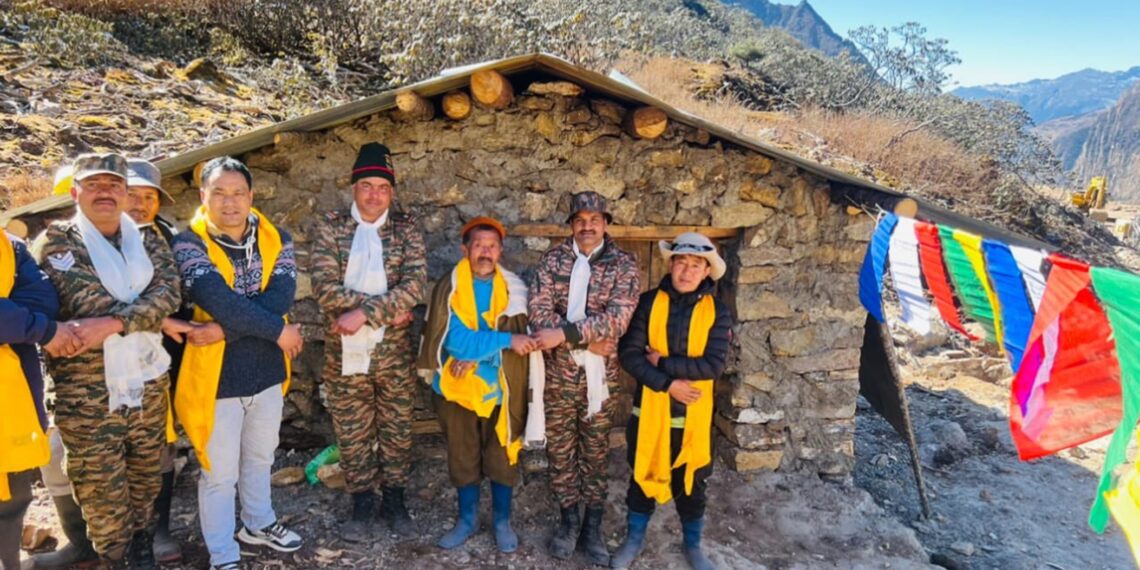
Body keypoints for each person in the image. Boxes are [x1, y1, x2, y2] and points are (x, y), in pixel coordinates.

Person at [34, 152, 182, 570]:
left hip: (147, 385)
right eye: (94, 184)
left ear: (124, 191)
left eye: (113, 185)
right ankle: (114, 560)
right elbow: (82, 301)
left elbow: (170, 293)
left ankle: (140, 556)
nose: (105, 192)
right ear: (75, 190)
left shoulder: (148, 239)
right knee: (102, 496)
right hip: (87, 398)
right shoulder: (57, 242)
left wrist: (113, 322)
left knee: (146, 482)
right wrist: (141, 313)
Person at [171, 156, 303, 570]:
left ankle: (258, 522)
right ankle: (223, 552)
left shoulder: (276, 238)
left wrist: (225, 332)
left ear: (251, 196)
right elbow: (217, 300)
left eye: (238, 193)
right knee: (218, 472)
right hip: (216, 379)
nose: (230, 203)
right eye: (219, 193)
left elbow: (279, 298)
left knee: (261, 457)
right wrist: (275, 330)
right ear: (203, 196)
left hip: (265, 371)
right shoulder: (188, 244)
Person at [310, 143, 425, 539]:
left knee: (397, 429)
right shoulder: (331, 227)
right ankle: (361, 504)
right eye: (367, 186)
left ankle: (394, 501)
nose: (375, 195)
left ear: (391, 192)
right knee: (353, 430)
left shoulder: (405, 228)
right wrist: (387, 310)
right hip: (344, 355)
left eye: (382, 187)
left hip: (393, 357)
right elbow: (324, 290)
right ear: (353, 188)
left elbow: (415, 285)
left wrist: (361, 312)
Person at [528, 191, 640, 565]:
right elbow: (538, 314)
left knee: (594, 453)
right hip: (559, 374)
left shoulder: (623, 265)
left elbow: (618, 318)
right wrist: (581, 341)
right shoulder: (552, 262)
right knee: (560, 452)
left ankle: (592, 526)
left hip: (599, 380)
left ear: (605, 223)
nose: (587, 226)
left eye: (594, 219)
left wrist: (565, 334)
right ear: (572, 224)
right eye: (580, 220)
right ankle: (567, 521)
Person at [416, 217, 536, 552]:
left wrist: (485, 354)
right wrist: (504, 341)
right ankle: (467, 520)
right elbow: (455, 342)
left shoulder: (515, 290)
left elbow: (523, 345)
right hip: (455, 390)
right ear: (464, 249)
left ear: (500, 251)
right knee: (462, 456)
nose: (486, 251)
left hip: (502, 390)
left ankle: (502, 522)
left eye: (492, 245)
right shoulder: (448, 288)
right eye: (479, 245)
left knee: (502, 458)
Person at [614, 232, 732, 570]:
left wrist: (662, 363)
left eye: (696, 265)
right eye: (682, 262)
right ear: (671, 264)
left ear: (706, 271)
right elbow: (630, 356)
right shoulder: (648, 303)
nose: (687, 271)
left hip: (693, 419)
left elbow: (713, 365)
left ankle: (693, 545)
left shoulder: (718, 313)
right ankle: (634, 539)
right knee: (640, 477)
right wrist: (669, 386)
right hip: (649, 414)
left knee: (692, 484)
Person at [124, 158, 189, 563]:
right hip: (94, 369)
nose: (141, 204)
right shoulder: (83, 239)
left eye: (149, 197)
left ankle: (157, 531)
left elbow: (178, 295)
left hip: (160, 364)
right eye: (133, 194)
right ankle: (90, 541)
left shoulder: (170, 239)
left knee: (160, 446)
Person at [0, 228, 70, 570]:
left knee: (14, 497)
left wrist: (12, 318)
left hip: (14, 402)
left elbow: (44, 301)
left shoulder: (10, 247)